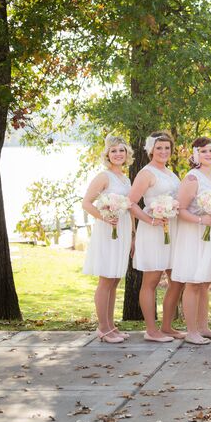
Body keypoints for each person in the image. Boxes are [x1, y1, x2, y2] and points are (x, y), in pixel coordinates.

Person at [129, 131, 184, 342]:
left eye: (167, 148)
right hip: (152, 231)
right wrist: (151, 220)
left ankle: (167, 326)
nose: (163, 151)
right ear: (151, 149)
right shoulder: (146, 173)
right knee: (150, 281)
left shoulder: (170, 173)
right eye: (159, 148)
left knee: (176, 279)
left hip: (172, 230)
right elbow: (131, 203)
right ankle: (152, 330)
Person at [171, 137, 211, 345]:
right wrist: (201, 219)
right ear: (196, 155)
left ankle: (204, 327)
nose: (209, 154)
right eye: (204, 151)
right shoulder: (192, 178)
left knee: (205, 282)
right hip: (194, 235)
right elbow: (180, 209)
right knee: (193, 282)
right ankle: (191, 331)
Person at [82, 136, 133, 343]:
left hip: (123, 230)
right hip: (107, 230)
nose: (118, 154)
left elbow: (129, 209)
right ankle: (102, 327)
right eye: (113, 151)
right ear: (107, 155)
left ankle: (111, 326)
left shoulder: (126, 178)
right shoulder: (103, 177)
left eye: (121, 150)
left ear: (127, 154)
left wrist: (133, 235)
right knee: (106, 279)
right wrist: (104, 217)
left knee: (115, 279)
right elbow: (86, 203)